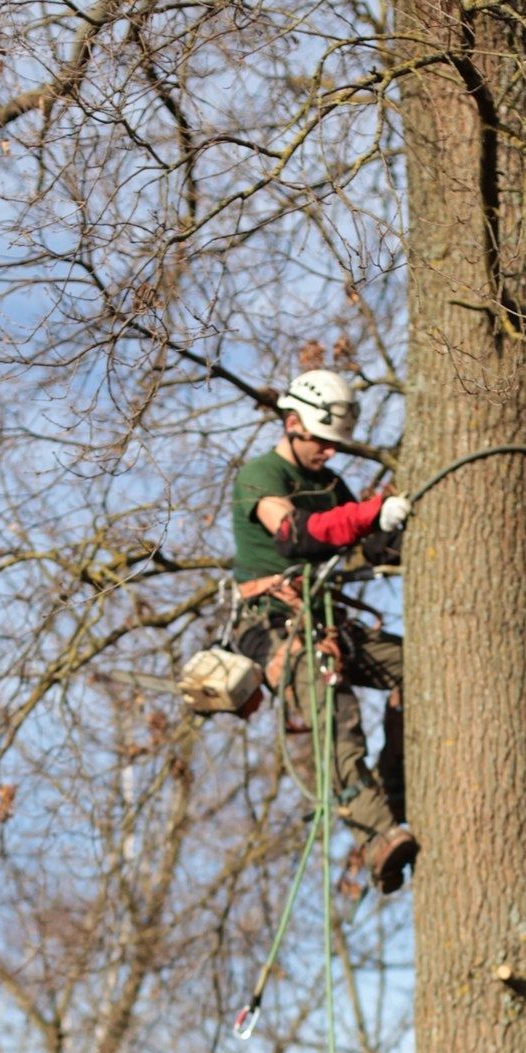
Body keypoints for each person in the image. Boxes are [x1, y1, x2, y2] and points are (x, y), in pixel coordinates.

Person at [230, 368, 417, 894]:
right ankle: (377, 835)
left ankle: (401, 793)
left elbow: (364, 540)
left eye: (337, 445)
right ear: (293, 424)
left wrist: (397, 527)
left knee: (421, 669)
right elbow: (297, 535)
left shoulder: (331, 486)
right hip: (273, 626)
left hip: (328, 621)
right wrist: (370, 514)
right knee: (338, 711)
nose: (330, 455)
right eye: (322, 441)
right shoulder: (260, 477)